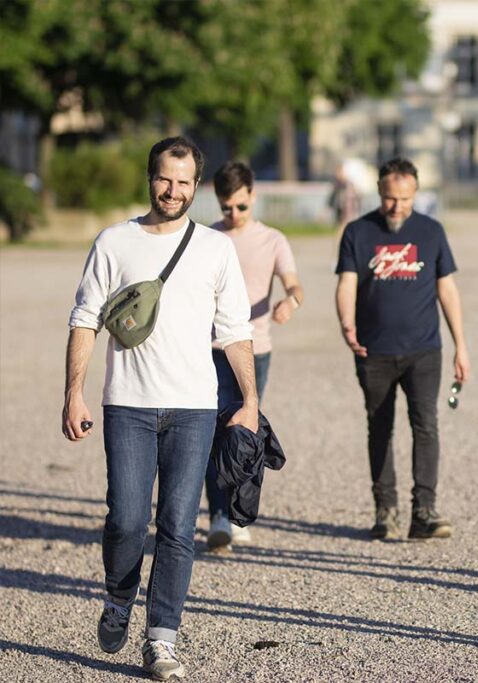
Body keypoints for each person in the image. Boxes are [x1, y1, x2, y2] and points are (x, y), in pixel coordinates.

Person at [61, 137, 256, 680]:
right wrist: (73, 391)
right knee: (125, 519)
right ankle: (119, 598)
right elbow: (85, 319)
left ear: (197, 186)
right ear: (150, 179)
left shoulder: (217, 250)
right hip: (127, 404)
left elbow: (236, 331)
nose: (173, 191)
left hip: (194, 407)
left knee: (175, 526)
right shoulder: (113, 242)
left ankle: (161, 638)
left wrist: (251, 402)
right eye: (165, 180)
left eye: (185, 182)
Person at [335, 158, 470, 540]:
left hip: (424, 350)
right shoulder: (358, 233)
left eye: (406, 199)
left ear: (416, 193)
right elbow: (346, 283)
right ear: (378, 192)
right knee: (379, 427)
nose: (398, 207)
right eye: (391, 199)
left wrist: (461, 345)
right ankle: (385, 510)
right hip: (372, 351)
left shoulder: (431, 232)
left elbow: (447, 288)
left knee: (425, 425)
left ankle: (424, 511)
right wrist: (347, 323)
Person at [204, 161, 304, 551]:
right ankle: (218, 516)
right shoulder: (207, 237)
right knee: (211, 431)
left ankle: (238, 513)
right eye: (226, 207)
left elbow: (293, 282)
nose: (234, 215)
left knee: (243, 430)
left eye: (241, 207)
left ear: (253, 196)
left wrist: (290, 302)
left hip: (254, 348)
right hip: (207, 350)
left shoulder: (273, 240)